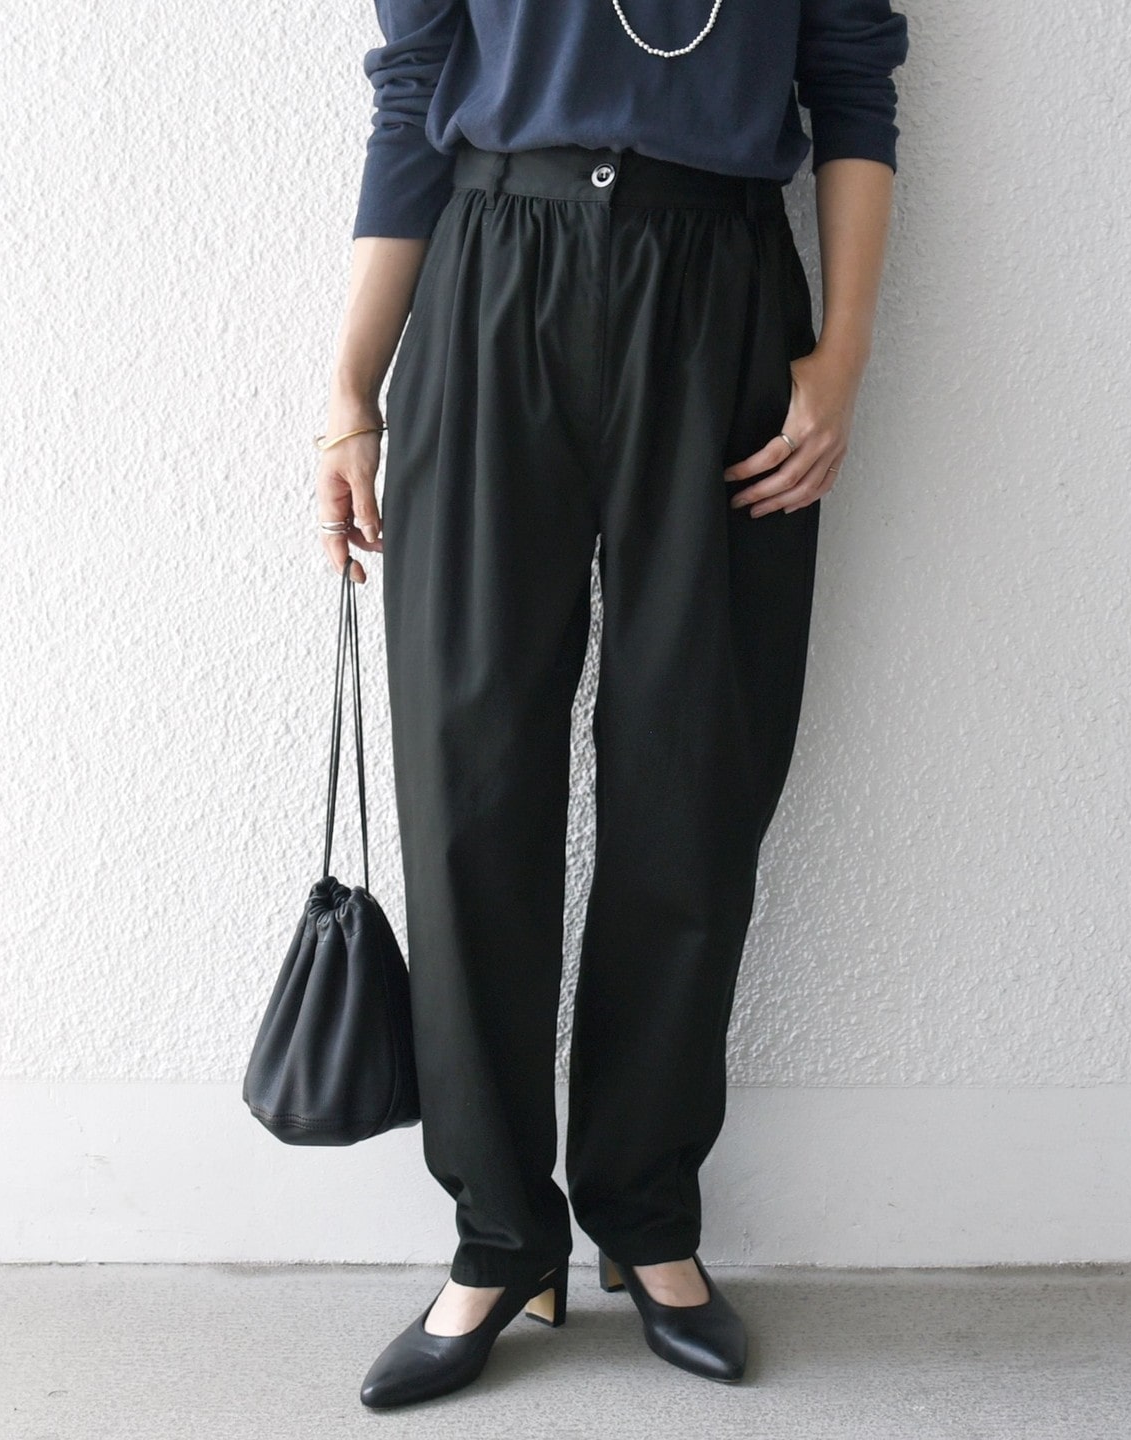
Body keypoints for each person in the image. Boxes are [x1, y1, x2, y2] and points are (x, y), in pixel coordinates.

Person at [314, 0, 909, 1410]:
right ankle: (498, 1237)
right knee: (468, 778)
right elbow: (413, 93)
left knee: (694, 774)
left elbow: (853, 88)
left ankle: (647, 1217)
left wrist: (843, 355)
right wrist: (349, 390)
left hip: (721, 295)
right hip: (488, 277)